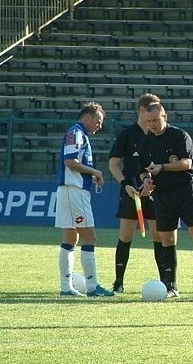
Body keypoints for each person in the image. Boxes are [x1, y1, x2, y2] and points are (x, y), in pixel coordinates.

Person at [138, 102, 193, 298]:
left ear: (166, 117)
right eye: (149, 121)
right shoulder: (145, 142)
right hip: (162, 194)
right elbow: (142, 170)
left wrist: (162, 167)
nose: (153, 125)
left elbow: (186, 163)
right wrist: (146, 181)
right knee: (167, 238)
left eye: (156, 120)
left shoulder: (180, 136)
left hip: (184, 191)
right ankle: (170, 285)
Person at [56, 102, 115, 297]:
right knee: (89, 237)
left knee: (71, 237)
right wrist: (95, 171)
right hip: (75, 191)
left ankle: (66, 287)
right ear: (87, 117)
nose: (99, 126)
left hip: (69, 190)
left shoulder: (78, 134)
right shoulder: (76, 133)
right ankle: (92, 287)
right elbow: (70, 162)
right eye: (98, 122)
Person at [108, 93, 164, 293]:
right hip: (132, 191)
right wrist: (125, 184)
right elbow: (113, 164)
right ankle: (118, 282)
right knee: (125, 235)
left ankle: (166, 282)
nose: (153, 120)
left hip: (157, 191)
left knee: (160, 235)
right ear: (142, 110)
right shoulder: (128, 134)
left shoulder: (160, 134)